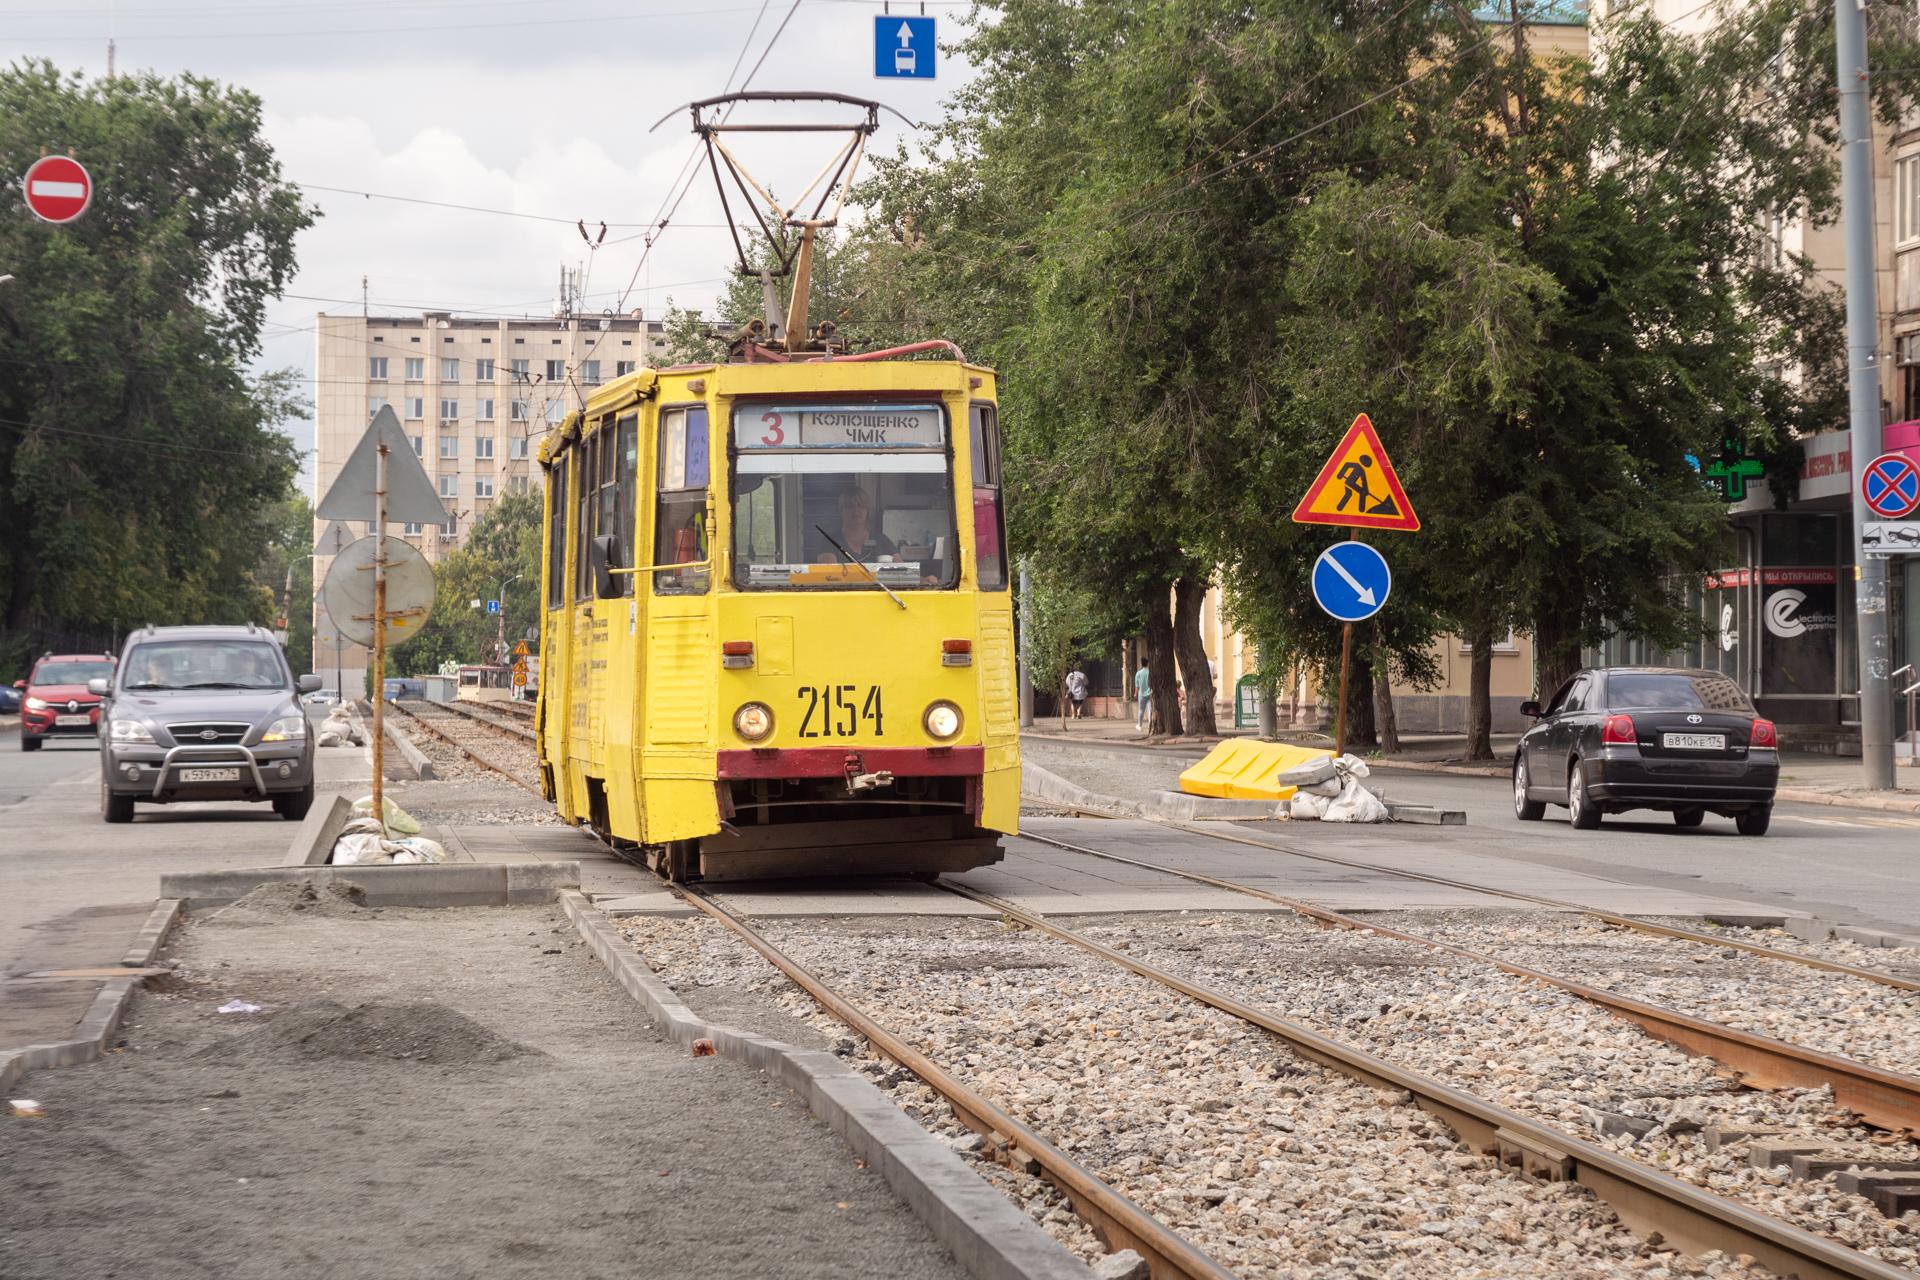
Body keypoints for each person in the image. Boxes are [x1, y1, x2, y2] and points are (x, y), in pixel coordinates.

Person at [810, 483, 897, 564]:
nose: (856, 510)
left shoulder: (882, 541)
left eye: (861, 506)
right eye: (850, 506)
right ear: (841, 511)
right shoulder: (830, 542)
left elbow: (903, 572)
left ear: (867, 510)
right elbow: (830, 576)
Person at [1134, 662, 1151, 731]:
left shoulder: (1138, 673)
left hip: (1141, 695)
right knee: (1150, 710)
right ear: (1148, 664)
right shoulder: (1150, 672)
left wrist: (1135, 693)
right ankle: (1150, 725)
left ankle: (1139, 725)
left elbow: (1137, 686)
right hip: (1149, 694)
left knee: (1141, 710)